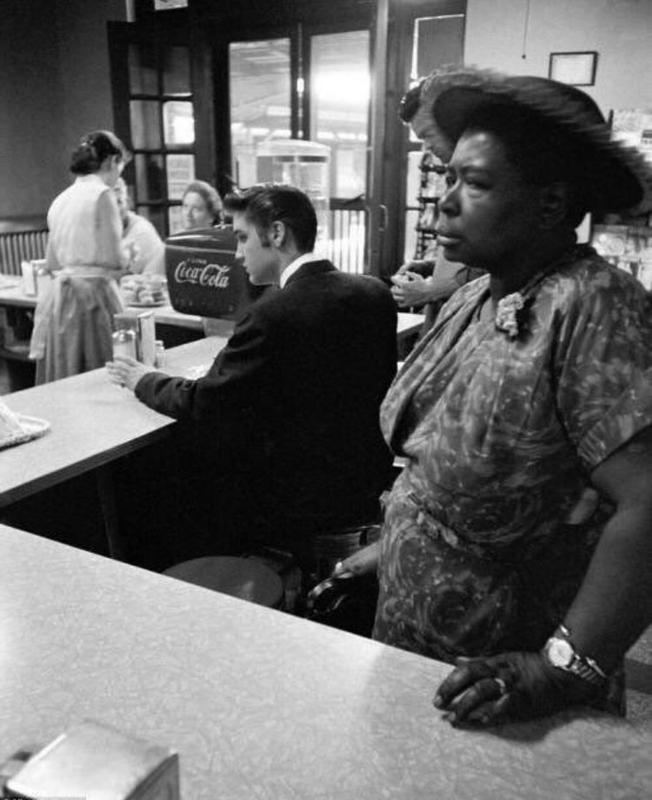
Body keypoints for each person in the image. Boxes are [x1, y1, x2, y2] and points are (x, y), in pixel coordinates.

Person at [333, 66, 652, 727]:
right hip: (417, 637)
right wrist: (395, 546)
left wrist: (562, 668)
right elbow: (439, 464)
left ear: (550, 204)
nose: (444, 203)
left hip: (506, 676)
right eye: (448, 178)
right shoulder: (478, 293)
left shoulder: (593, 304)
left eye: (474, 183)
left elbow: (648, 501)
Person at [106, 183, 397, 576]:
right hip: (366, 490)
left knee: (166, 475)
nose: (237, 254)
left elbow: (202, 402)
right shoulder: (375, 293)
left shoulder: (270, 314)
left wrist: (143, 379)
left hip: (298, 505)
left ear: (276, 233)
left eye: (242, 238)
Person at [29, 130, 129, 383]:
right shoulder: (102, 195)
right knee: (100, 375)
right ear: (111, 161)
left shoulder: (60, 200)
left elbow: (52, 262)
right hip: (94, 297)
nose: (118, 176)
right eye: (120, 168)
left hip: (62, 300)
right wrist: (128, 255)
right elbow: (115, 259)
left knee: (68, 371)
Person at [391, 80, 484, 334]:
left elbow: (501, 265)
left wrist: (431, 290)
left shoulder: (491, 185)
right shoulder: (457, 179)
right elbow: (475, 256)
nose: (427, 148)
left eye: (428, 135)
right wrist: (430, 266)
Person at [114, 178, 165, 276]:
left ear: (128, 203)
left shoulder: (141, 232)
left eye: (119, 202)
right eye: (109, 204)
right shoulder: (105, 230)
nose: (114, 209)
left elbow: (118, 277)